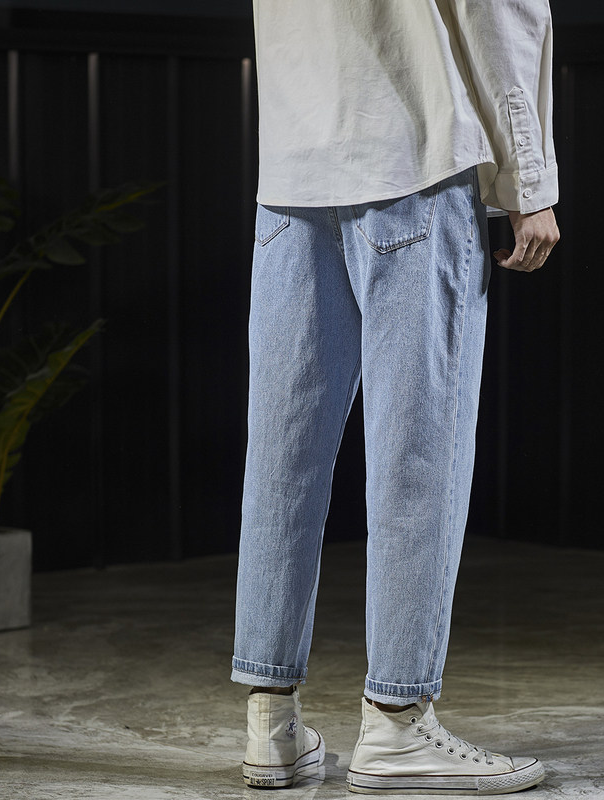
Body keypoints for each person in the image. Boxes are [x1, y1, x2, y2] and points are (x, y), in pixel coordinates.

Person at [232, 1, 560, 794]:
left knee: (281, 459)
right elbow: (496, 11)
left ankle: (271, 725)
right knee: (419, 454)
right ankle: (397, 724)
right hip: (413, 155)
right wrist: (530, 180)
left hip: (292, 166)